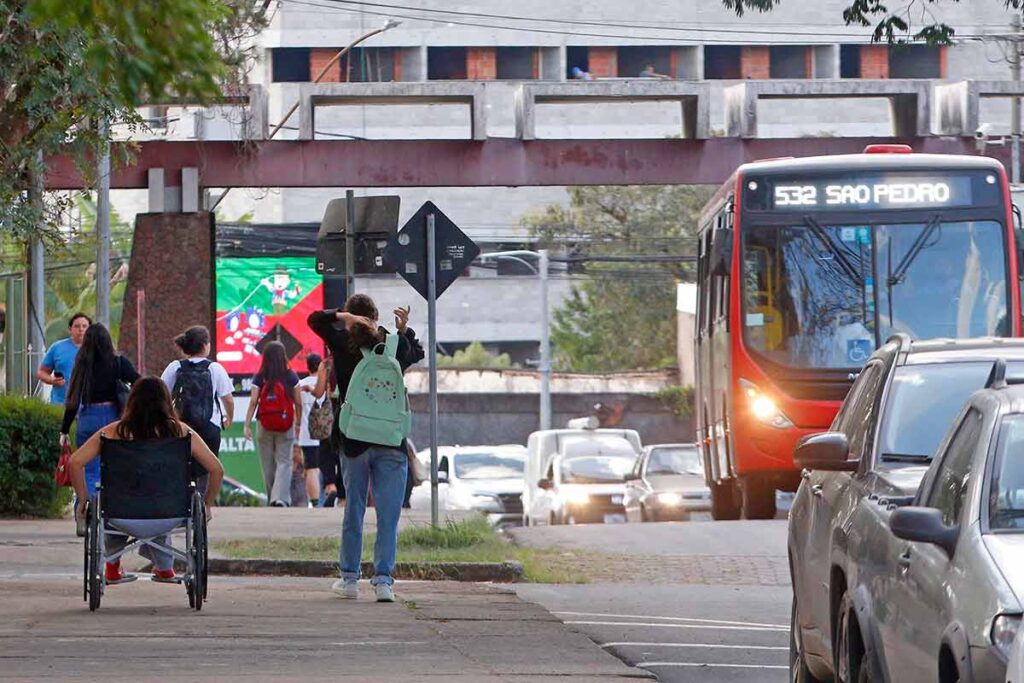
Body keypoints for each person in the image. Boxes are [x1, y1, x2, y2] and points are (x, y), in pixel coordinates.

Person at [308, 294, 424, 603]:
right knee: (388, 515)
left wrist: (342, 317)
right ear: (375, 317)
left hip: (354, 440)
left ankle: (349, 579)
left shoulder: (342, 343)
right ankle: (384, 581)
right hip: (391, 440)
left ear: (351, 316)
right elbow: (418, 352)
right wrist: (403, 329)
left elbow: (315, 320)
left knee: (354, 510)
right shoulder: (392, 346)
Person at [68, 377, 223, 583]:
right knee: (158, 492)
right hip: (169, 510)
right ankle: (165, 568)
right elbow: (216, 470)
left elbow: (75, 462)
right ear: (166, 402)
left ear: (132, 402)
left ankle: (112, 567)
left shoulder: (114, 431)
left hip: (120, 511)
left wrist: (83, 499)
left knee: (118, 498)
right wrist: (207, 504)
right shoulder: (181, 431)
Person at [60, 323, 140, 498]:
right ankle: (112, 510)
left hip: (89, 418)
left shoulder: (82, 365)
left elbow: (72, 401)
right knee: (116, 466)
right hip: (115, 419)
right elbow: (140, 383)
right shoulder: (119, 363)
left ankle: (87, 508)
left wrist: (64, 430)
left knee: (89, 469)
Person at [161, 325, 234, 496]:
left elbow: (161, 393)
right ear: (204, 346)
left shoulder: (175, 367)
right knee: (207, 467)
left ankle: (181, 503)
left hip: (181, 427)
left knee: (181, 464)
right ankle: (202, 504)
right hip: (209, 426)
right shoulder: (215, 368)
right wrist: (228, 417)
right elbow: (228, 399)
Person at [243, 341, 301, 507]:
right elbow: (298, 402)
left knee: (267, 463)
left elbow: (254, 401)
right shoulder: (291, 376)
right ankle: (280, 499)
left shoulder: (260, 377)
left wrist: (246, 425)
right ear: (283, 356)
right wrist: (297, 423)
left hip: (264, 425)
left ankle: (272, 499)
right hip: (286, 423)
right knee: (284, 462)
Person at [37, 312, 91, 405]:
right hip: (60, 404)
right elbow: (41, 372)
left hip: (89, 406)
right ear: (70, 329)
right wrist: (52, 380)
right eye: (77, 326)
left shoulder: (98, 349)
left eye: (84, 326)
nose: (81, 329)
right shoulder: (57, 347)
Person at [297, 353, 325, 507]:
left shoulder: (301, 385)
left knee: (311, 468)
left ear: (307, 367)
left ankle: (315, 502)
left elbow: (298, 408)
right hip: (325, 434)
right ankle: (330, 494)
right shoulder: (326, 384)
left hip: (307, 434)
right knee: (326, 466)